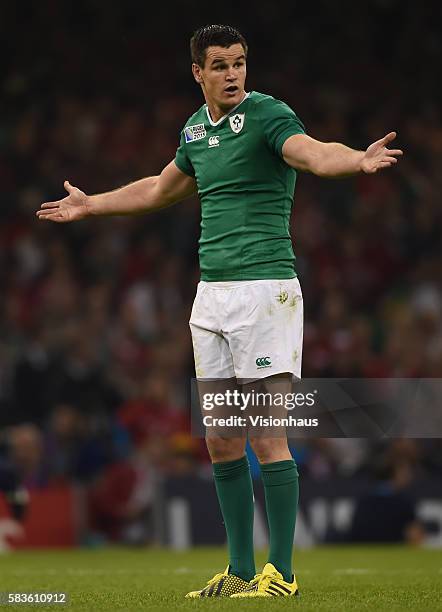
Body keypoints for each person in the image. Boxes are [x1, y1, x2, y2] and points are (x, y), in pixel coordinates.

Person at [36, 24, 403, 598]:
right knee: (222, 439)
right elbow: (160, 189)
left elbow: (310, 153)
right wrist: (93, 205)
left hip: (265, 291)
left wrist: (355, 159)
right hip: (212, 296)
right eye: (220, 64)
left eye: (239, 62)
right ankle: (237, 570)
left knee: (267, 436)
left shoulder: (267, 115)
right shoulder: (195, 130)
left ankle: (279, 573)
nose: (233, 73)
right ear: (198, 74)